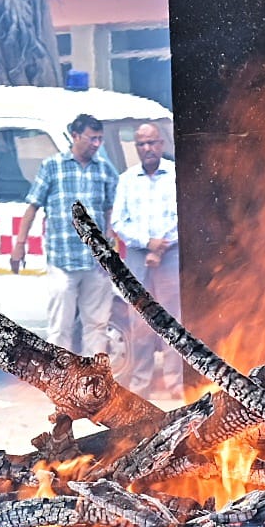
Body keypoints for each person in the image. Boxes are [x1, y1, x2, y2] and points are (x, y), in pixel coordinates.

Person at [12, 114, 119, 357]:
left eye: (100, 139)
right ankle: (62, 376)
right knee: (60, 328)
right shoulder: (52, 166)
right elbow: (32, 207)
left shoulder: (104, 170)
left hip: (95, 263)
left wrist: (109, 238)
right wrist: (20, 244)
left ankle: (93, 376)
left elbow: (111, 208)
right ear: (75, 136)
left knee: (96, 327)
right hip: (62, 261)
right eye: (92, 138)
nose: (96, 144)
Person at [110, 122, 182, 399]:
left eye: (152, 142)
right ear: (136, 148)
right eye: (142, 144)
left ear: (161, 144)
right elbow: (119, 221)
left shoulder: (174, 175)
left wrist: (160, 247)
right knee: (139, 319)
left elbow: (182, 215)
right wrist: (147, 243)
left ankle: (175, 382)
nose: (147, 148)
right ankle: (141, 383)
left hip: (170, 255)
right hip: (138, 258)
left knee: (171, 319)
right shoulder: (127, 180)